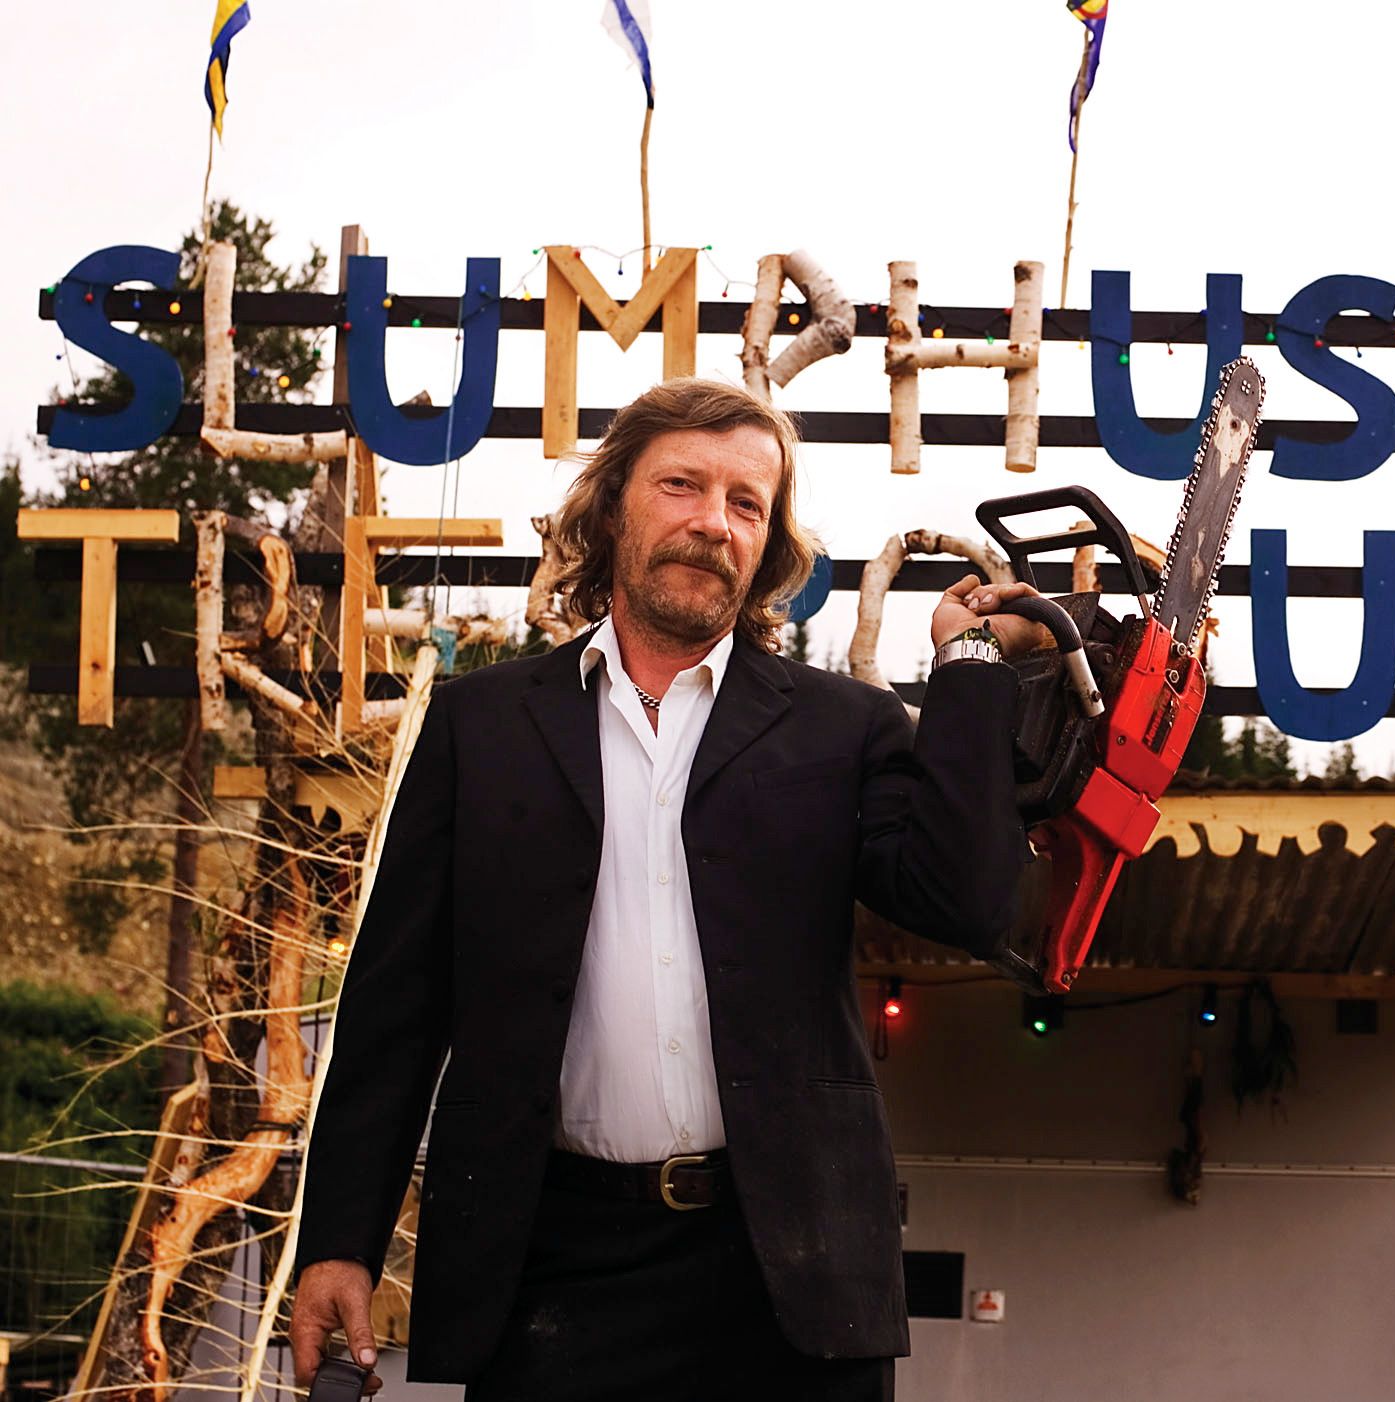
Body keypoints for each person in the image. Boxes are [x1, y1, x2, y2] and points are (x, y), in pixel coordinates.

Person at [290, 377, 1044, 1400]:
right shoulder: (481, 726)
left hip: (787, 1272)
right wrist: (340, 1240)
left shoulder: (842, 727)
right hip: (549, 1265)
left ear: (767, 544)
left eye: (746, 503)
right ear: (612, 510)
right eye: (681, 485)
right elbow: (396, 1005)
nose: (713, 522)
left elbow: (968, 901)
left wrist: (969, 667)